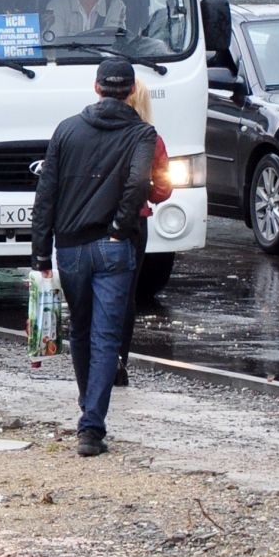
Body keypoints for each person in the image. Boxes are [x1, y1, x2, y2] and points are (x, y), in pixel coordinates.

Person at [30, 59, 156, 457]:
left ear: (96, 87)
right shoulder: (142, 133)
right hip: (114, 246)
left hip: (69, 248)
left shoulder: (66, 130)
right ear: (132, 90)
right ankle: (91, 427)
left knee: (81, 332)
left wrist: (40, 253)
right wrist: (120, 227)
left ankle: (89, 409)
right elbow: (139, 182)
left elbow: (45, 196)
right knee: (106, 336)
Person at [114, 79, 173, 386]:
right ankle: (119, 362)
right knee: (125, 294)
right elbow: (163, 188)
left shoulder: (91, 132)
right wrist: (148, 191)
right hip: (135, 223)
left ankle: (93, 359)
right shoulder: (152, 139)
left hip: (93, 220)